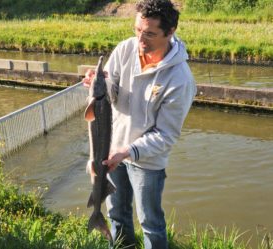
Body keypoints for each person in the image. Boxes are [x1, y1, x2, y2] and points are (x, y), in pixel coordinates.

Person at [83, 0, 196, 248]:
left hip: (147, 160)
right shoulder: (125, 49)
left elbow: (166, 135)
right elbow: (111, 93)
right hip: (112, 152)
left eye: (150, 34)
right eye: (137, 30)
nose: (140, 40)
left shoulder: (180, 78)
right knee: (117, 214)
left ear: (170, 31)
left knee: (150, 222)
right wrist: (98, 84)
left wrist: (130, 151)